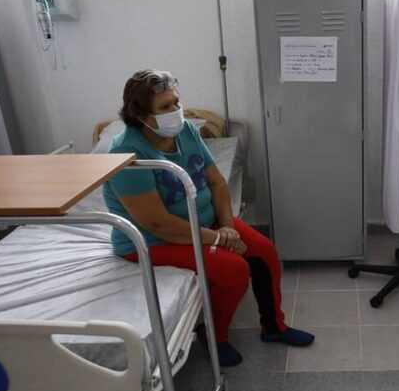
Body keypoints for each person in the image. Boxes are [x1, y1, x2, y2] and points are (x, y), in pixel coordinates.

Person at [104, 70, 314, 367]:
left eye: (176, 103)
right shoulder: (126, 154)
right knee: (234, 270)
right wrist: (217, 239)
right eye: (165, 107)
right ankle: (215, 337)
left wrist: (227, 227)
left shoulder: (186, 132)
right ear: (140, 115)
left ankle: (274, 327)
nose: (176, 111)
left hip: (206, 224)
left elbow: (216, 182)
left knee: (265, 252)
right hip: (152, 241)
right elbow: (157, 223)